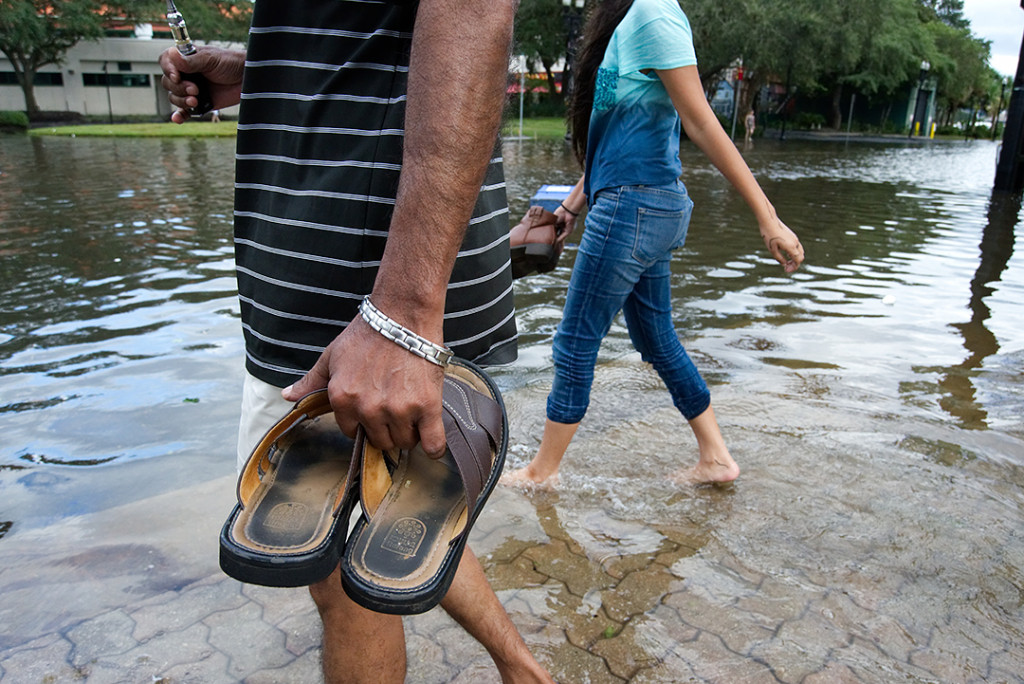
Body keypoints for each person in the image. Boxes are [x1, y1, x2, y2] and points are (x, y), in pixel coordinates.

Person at [159, 2, 553, 683]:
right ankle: (522, 669)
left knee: (337, 564)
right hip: (318, 263)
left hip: (369, 272)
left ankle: (520, 668)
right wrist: (265, 75)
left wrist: (403, 307)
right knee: (390, 516)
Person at [502, 0, 804, 489]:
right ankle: (716, 458)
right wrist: (570, 209)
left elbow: (701, 121)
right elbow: (615, 141)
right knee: (656, 339)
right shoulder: (634, 19)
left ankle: (542, 472)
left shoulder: (654, 13)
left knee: (576, 340)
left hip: (632, 205)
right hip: (639, 203)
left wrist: (767, 217)